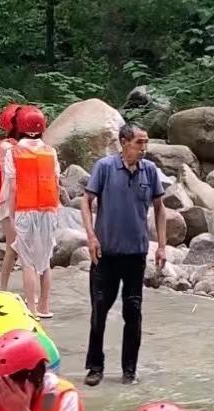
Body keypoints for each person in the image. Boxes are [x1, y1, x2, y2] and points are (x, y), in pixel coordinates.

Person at [80, 123, 167, 387]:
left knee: (133, 311)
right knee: (99, 309)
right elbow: (86, 201)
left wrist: (161, 245)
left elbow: (160, 208)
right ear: (124, 142)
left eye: (146, 142)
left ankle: (129, 370)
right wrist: (91, 236)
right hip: (105, 254)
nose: (144, 148)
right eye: (139, 142)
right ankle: (95, 367)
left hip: (135, 254)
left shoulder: (149, 171)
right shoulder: (105, 167)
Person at [1, 105, 61, 319]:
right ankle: (45, 307)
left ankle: (32, 310)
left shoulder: (14, 152)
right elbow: (56, 181)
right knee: (45, 262)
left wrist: (13, 213)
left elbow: (14, 187)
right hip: (48, 209)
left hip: (25, 210)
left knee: (28, 262)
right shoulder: (50, 151)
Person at [0, 103, 21, 294]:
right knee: (12, 247)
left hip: (23, 198)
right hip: (9, 199)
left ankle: (29, 291)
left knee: (24, 248)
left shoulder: (18, 145)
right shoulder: (6, 146)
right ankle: (2, 289)